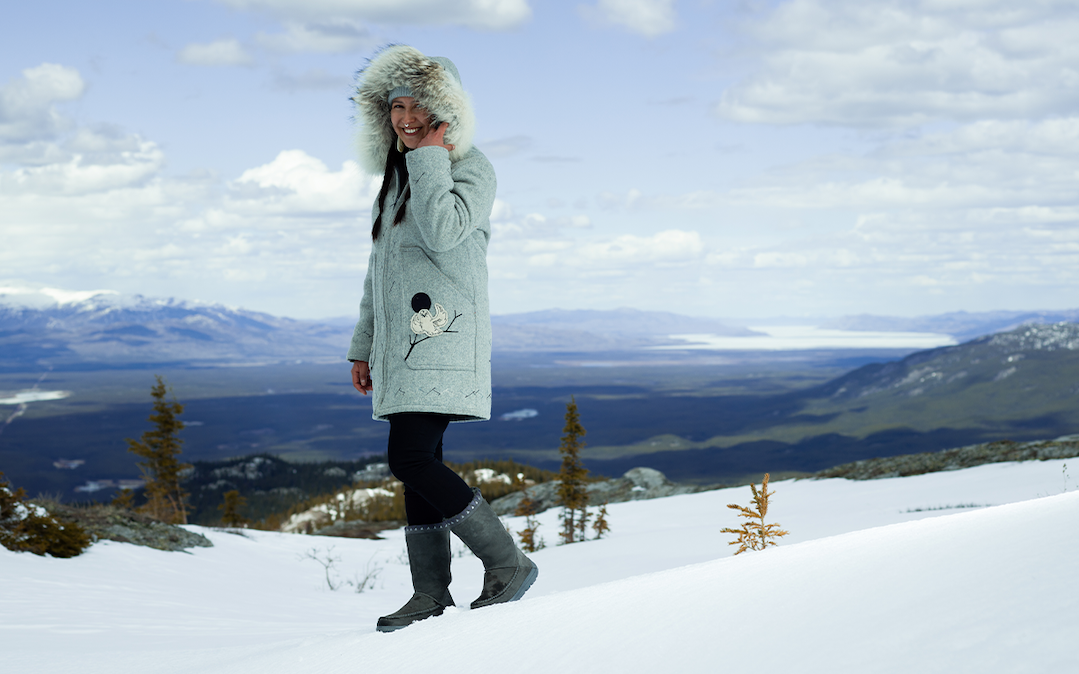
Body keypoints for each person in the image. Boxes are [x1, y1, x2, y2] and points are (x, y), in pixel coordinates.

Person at [347, 45, 538, 632]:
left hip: (441, 342)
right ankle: (430, 594)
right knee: (418, 462)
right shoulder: (397, 178)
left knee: (408, 457)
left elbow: (444, 233)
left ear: (447, 112)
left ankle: (507, 565)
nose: (406, 117)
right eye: (396, 106)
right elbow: (381, 273)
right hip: (401, 347)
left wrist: (431, 158)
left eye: (420, 107)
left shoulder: (471, 168)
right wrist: (363, 344)